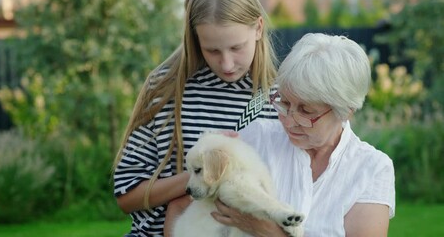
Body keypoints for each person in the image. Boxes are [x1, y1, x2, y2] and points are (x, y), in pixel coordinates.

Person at [168, 33, 396, 236]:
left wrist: (267, 231)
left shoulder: (372, 168)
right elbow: (182, 207)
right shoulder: (255, 138)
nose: (288, 119)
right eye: (284, 102)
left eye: (306, 111)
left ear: (346, 111)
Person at [112, 0, 279, 236]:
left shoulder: (282, 101)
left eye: (236, 47)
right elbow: (127, 196)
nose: (227, 64)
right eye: (212, 50)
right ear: (195, 38)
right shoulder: (166, 90)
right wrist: (202, 172)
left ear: (259, 28)